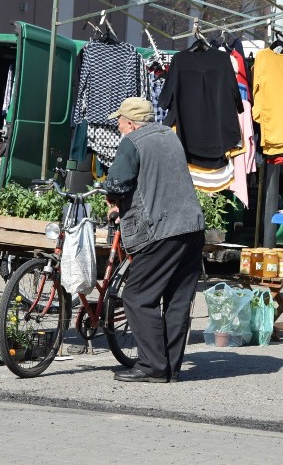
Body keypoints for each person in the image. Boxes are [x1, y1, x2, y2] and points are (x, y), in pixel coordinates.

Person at [103, 97, 205, 383]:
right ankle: (170, 368)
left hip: (161, 229)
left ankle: (152, 366)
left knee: (137, 296)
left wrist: (113, 201)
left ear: (132, 123)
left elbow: (117, 183)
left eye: (121, 121)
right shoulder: (169, 136)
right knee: (177, 300)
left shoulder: (133, 141)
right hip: (191, 226)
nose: (119, 126)